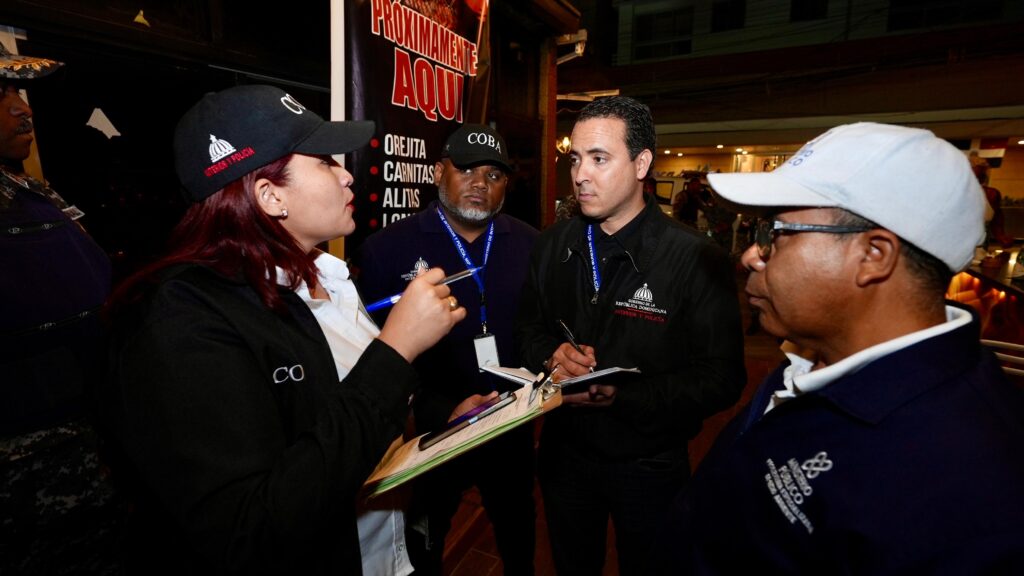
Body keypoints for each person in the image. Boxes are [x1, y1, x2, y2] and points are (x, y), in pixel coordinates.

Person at [100, 84, 471, 576]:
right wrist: (396, 349)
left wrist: (443, 415)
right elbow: (252, 530)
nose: (346, 174)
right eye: (324, 161)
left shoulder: (330, 278)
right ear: (270, 195)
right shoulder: (181, 319)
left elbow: (339, 401)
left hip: (391, 554)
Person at [667, 122, 1024, 573]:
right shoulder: (813, 357)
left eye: (775, 234)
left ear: (873, 255)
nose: (751, 256)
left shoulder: (971, 490)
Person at [514, 95, 747, 575]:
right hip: (563, 454)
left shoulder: (695, 258)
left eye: (599, 159)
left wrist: (624, 395)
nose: (581, 174)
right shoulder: (552, 244)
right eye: (575, 159)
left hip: (650, 464)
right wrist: (551, 356)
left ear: (641, 164)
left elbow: (722, 378)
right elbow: (527, 330)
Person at [354, 123, 539, 575]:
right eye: (467, 170)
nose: (480, 183)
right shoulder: (386, 250)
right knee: (426, 541)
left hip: (511, 425)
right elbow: (371, 352)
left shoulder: (533, 245)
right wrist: (439, 409)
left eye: (494, 175)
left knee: (518, 534)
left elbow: (541, 330)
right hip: (433, 432)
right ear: (439, 173)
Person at [0, 40, 121, 573]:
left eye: (16, 92)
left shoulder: (30, 190)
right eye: (0, 96)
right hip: (25, 476)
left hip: (88, 445)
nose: (20, 108)